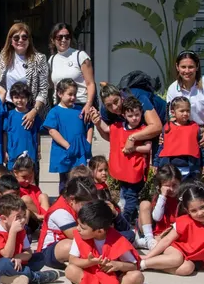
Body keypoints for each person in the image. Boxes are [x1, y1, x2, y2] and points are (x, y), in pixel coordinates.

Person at [166, 51, 204, 204]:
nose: (187, 71)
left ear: (197, 67)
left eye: (191, 67)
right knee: (191, 171)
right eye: (183, 67)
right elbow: (172, 115)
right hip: (186, 130)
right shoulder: (173, 88)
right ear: (177, 67)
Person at [65, 200, 145, 284]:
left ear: (100, 231)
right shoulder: (79, 236)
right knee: (70, 270)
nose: (78, 229)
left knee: (137, 277)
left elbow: (134, 266)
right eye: (78, 224)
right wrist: (89, 262)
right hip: (91, 275)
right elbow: (72, 260)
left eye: (82, 227)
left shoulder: (117, 240)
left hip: (113, 279)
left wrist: (118, 265)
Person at [141, 181, 204, 276]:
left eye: (202, 207)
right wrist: (148, 256)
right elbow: (167, 240)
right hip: (175, 249)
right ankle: (142, 264)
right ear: (187, 211)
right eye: (194, 210)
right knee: (177, 258)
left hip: (193, 258)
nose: (200, 213)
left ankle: (156, 265)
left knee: (187, 269)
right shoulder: (185, 221)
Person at [0, 195, 60, 284]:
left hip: (15, 262)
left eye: (24, 216)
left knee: (40, 257)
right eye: (18, 217)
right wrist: (13, 232)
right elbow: (7, 255)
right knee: (6, 263)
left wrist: (19, 257)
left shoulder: (21, 228)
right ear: (4, 219)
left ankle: (9, 278)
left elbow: (28, 251)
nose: (22, 220)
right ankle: (34, 276)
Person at [93, 96, 151, 224]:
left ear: (141, 113)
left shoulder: (144, 129)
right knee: (128, 198)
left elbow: (147, 148)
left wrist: (134, 148)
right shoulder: (118, 127)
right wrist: (97, 118)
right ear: (124, 115)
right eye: (131, 115)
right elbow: (107, 129)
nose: (134, 118)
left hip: (135, 173)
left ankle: (123, 222)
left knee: (130, 199)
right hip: (124, 172)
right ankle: (134, 222)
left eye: (137, 114)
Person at [36, 175, 97, 270]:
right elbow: (76, 235)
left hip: (71, 244)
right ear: (72, 199)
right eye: (86, 204)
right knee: (71, 246)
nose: (90, 207)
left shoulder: (75, 207)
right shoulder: (60, 211)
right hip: (49, 252)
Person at [42, 79, 93, 191]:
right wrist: (67, 146)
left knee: (81, 179)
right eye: (70, 94)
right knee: (65, 181)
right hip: (64, 152)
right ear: (60, 94)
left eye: (74, 94)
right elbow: (52, 130)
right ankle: (64, 203)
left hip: (80, 152)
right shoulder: (55, 111)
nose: (73, 97)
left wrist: (88, 143)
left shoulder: (81, 110)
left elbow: (89, 126)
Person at [0, 23, 49, 128]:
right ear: (11, 41)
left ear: (29, 40)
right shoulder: (4, 57)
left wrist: (34, 111)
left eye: (24, 37)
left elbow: (43, 90)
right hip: (9, 107)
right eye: (16, 38)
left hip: (29, 108)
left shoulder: (39, 59)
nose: (20, 40)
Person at [99, 81, 165, 157]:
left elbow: (156, 127)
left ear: (121, 96)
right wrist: (97, 124)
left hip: (164, 121)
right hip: (143, 127)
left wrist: (132, 137)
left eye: (116, 101)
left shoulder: (137, 98)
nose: (114, 107)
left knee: (160, 162)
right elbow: (112, 137)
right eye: (109, 105)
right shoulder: (105, 111)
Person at [154, 96, 204, 181]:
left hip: (189, 169)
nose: (185, 113)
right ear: (173, 112)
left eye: (188, 111)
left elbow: (200, 148)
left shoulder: (194, 127)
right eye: (182, 111)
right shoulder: (167, 127)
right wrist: (156, 163)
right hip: (170, 169)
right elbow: (161, 147)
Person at [47, 23, 96, 119]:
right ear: (53, 40)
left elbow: (90, 83)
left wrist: (88, 105)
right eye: (59, 37)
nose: (64, 40)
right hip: (59, 106)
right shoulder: (52, 59)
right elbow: (51, 84)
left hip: (79, 105)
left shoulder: (80, 56)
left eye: (67, 37)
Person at [136, 165, 182, 250]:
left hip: (169, 233)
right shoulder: (160, 198)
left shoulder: (181, 199)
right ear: (160, 186)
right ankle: (149, 241)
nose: (171, 189)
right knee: (144, 204)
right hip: (151, 231)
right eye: (167, 186)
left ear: (180, 183)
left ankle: (145, 243)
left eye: (174, 185)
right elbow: (157, 218)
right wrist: (163, 196)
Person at [2, 82, 39, 170]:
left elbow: (37, 133)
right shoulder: (9, 115)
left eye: (23, 97)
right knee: (14, 179)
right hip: (13, 152)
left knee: (29, 177)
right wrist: (4, 151)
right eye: (16, 97)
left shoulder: (33, 115)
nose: (19, 100)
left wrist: (39, 150)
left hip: (30, 151)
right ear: (11, 98)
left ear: (27, 98)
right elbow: (5, 135)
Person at [12, 154, 48, 224]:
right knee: (25, 199)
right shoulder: (14, 189)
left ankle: (46, 220)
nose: (27, 180)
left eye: (30, 176)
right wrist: (37, 215)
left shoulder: (35, 189)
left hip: (41, 216)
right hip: (27, 219)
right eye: (24, 177)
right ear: (15, 173)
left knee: (44, 196)